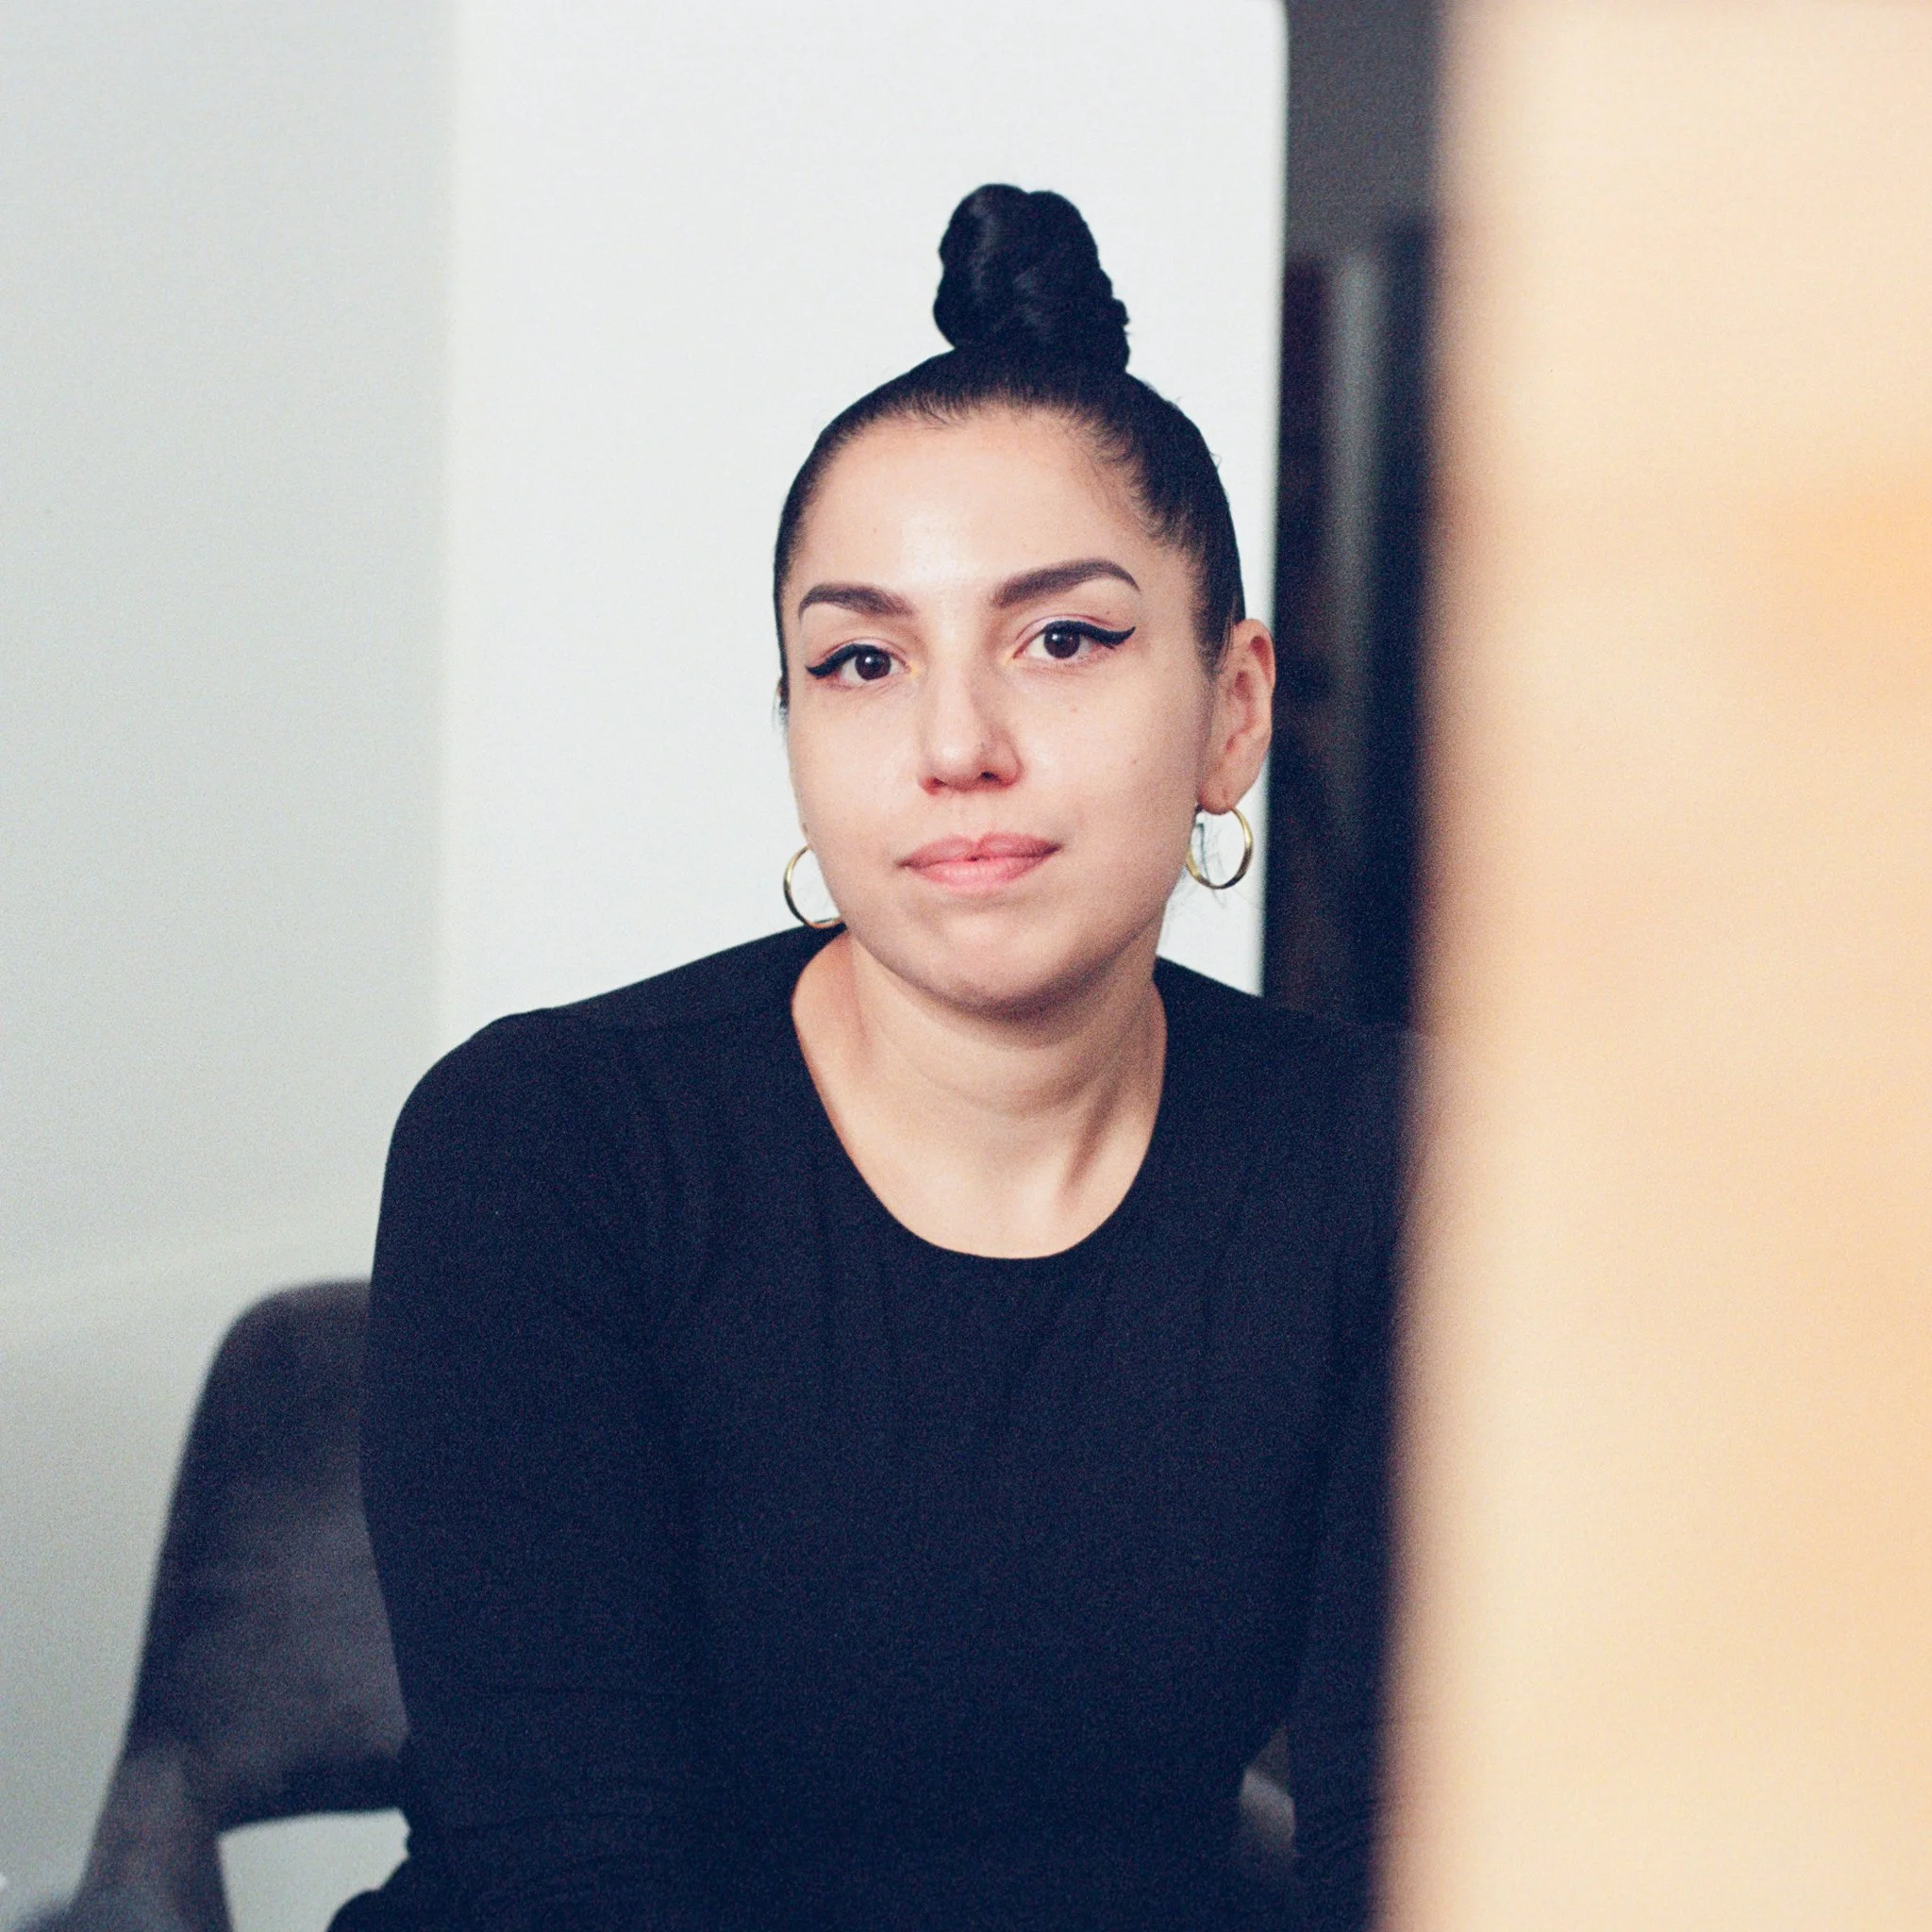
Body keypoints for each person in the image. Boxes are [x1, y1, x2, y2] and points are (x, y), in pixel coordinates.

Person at [341, 185, 1405, 1932]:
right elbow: (574, 1882)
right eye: (859, 659)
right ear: (794, 736)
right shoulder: (543, 1143)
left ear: (1235, 710)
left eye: (1063, 638)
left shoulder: (1395, 1166)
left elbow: (1421, 1847)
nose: (956, 742)